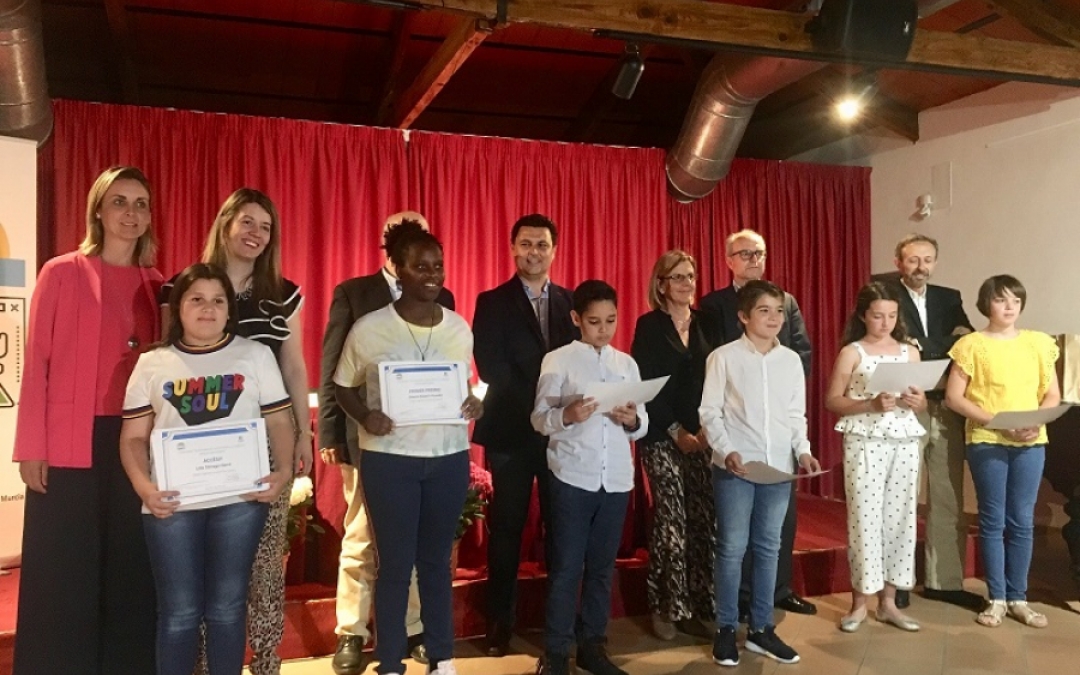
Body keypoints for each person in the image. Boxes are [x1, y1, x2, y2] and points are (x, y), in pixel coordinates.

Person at [12, 166, 160, 675]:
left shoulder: (158, 284)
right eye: (119, 201)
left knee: (128, 568)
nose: (130, 213)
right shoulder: (61, 272)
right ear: (98, 209)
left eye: (140, 204)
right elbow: (37, 363)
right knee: (64, 570)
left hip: (133, 442)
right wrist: (32, 447)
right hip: (69, 442)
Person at [160, 188, 311, 675]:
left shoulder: (283, 294)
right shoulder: (183, 285)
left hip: (264, 443)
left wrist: (303, 435)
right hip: (196, 444)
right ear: (225, 223)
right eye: (247, 222)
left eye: (266, 227)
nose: (256, 234)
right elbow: (165, 362)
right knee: (204, 563)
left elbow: (293, 367)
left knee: (264, 563)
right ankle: (205, 666)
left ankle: (266, 662)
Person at [119, 263, 295, 675]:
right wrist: (144, 488)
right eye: (196, 299)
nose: (208, 309)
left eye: (218, 300)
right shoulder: (153, 363)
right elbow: (132, 438)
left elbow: (278, 421)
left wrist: (285, 469)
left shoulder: (256, 355)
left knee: (227, 609)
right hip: (170, 505)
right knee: (178, 612)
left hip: (240, 501)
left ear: (229, 310)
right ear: (178, 307)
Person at [334, 224, 483, 675]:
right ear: (398, 270)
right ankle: (389, 662)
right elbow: (343, 387)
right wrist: (365, 416)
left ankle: (442, 659)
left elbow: (464, 387)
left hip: (447, 459)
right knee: (395, 566)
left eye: (438, 266)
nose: (432, 274)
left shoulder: (458, 328)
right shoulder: (369, 328)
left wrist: (474, 402)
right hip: (389, 462)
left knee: (436, 564)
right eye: (420, 266)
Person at [317, 212, 451, 674]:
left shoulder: (443, 299)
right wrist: (331, 432)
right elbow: (335, 371)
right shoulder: (354, 293)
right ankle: (352, 631)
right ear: (391, 249)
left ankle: (411, 628)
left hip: (426, 446)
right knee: (361, 535)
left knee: (411, 543)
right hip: (369, 443)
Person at [472, 213, 578, 656]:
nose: (534, 252)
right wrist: (540, 410)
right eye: (527, 244)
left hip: (562, 435)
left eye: (542, 244)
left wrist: (557, 415)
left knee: (562, 528)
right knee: (507, 530)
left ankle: (560, 622)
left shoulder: (571, 302)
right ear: (513, 248)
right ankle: (500, 622)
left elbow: (579, 362)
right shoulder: (491, 301)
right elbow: (491, 366)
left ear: (554, 251)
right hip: (512, 431)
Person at [699, 280, 820, 667]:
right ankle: (725, 628)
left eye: (779, 311)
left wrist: (803, 451)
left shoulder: (790, 361)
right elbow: (709, 412)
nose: (773, 318)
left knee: (769, 547)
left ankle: (761, 628)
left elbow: (795, 414)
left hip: (778, 467)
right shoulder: (723, 357)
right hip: (737, 466)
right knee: (732, 548)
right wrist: (725, 450)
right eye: (764, 310)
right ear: (743, 316)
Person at [531, 280, 648, 675]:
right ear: (576, 319)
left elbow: (642, 422)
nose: (604, 329)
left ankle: (593, 646)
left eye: (611, 320)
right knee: (566, 568)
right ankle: (556, 653)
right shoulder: (558, 361)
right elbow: (539, 419)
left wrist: (632, 420)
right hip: (572, 475)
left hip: (615, 478)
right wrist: (567, 414)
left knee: (601, 568)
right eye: (595, 321)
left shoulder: (626, 364)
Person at [945, 275, 1060, 628]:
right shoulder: (971, 345)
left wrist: (1034, 421)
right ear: (986, 304)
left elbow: (1052, 394)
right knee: (993, 519)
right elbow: (954, 397)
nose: (1009, 307)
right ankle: (996, 598)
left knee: (1022, 520)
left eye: (1015, 300)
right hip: (987, 439)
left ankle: (1018, 598)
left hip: (1031, 440)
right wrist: (998, 422)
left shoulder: (1039, 343)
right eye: (1001, 300)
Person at [880, 234, 979, 610]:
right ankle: (897, 579)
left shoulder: (949, 297)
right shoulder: (883, 293)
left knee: (948, 496)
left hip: (946, 404)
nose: (921, 267)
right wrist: (939, 344)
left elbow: (966, 340)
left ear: (935, 262)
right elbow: (891, 341)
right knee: (901, 495)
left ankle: (945, 582)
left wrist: (923, 345)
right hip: (904, 403)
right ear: (898, 261)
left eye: (927, 260)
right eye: (913, 260)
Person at [825, 282, 927, 633]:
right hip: (865, 439)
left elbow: (920, 400)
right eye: (878, 316)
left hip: (904, 439)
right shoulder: (852, 352)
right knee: (864, 519)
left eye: (892, 316)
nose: (885, 323)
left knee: (901, 519)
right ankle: (859, 603)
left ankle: (889, 603)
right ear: (863, 316)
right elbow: (832, 400)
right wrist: (869, 404)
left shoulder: (909, 352)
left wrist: (918, 402)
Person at [630, 250, 720, 641]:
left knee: (702, 519)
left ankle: (700, 604)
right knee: (671, 521)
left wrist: (705, 429)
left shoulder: (708, 323)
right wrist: (675, 430)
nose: (686, 283)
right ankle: (666, 606)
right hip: (661, 435)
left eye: (690, 276)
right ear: (662, 284)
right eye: (678, 277)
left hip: (704, 435)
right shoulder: (649, 325)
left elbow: (720, 378)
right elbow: (646, 384)